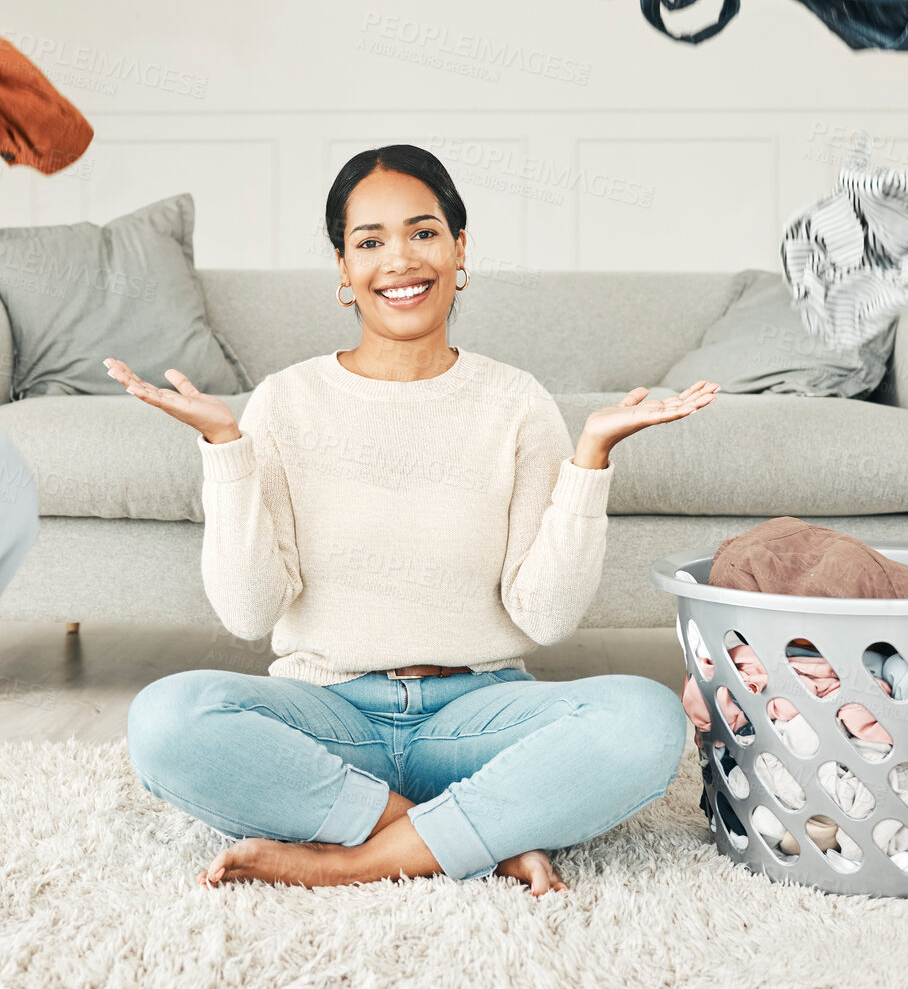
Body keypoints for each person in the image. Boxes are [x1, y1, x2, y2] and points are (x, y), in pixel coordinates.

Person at [107, 143, 718, 895]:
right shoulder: (283, 402)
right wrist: (224, 447)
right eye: (369, 242)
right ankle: (471, 837)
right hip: (329, 715)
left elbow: (546, 615)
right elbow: (246, 611)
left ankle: (355, 857)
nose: (399, 259)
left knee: (645, 720)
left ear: (459, 249)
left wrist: (589, 459)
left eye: (423, 232)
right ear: (342, 269)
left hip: (479, 716)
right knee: (167, 718)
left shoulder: (516, 401)